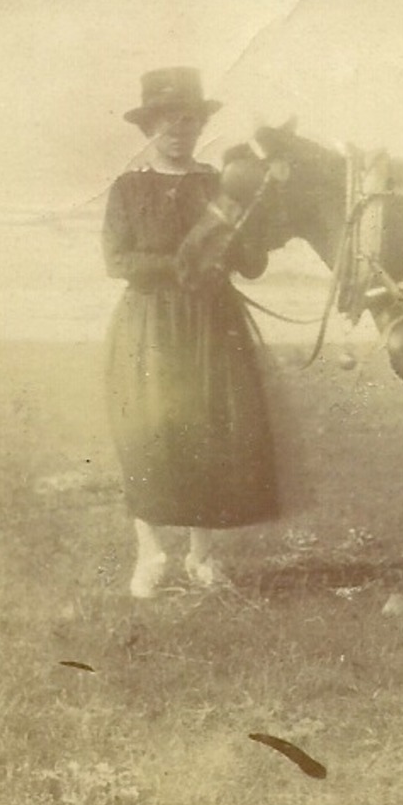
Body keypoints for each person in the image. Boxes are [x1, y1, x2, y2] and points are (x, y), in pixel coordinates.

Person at [102, 67, 281, 598]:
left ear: (200, 127)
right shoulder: (128, 189)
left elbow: (252, 263)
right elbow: (118, 259)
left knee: (209, 432)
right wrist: (179, 263)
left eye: (188, 122)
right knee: (148, 433)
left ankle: (202, 556)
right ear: (149, 128)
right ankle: (150, 552)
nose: (179, 131)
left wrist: (254, 224)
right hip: (150, 324)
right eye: (167, 122)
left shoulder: (217, 186)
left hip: (211, 324)